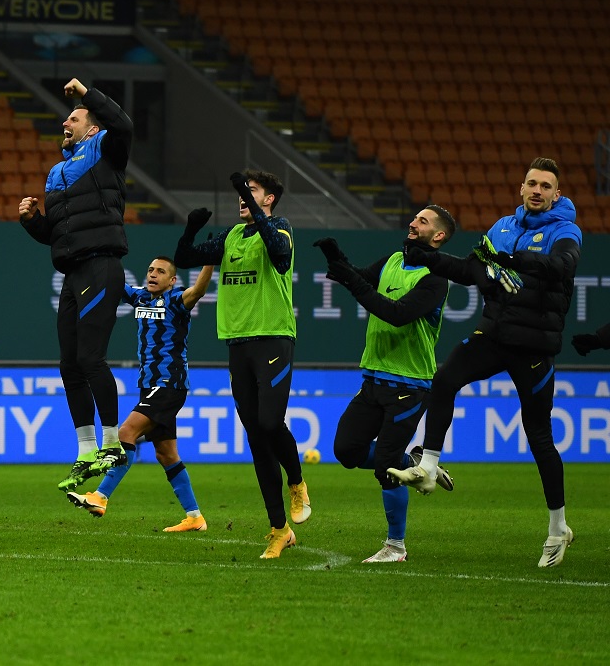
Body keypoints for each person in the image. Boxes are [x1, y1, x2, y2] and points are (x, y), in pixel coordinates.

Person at [390, 158, 581, 568]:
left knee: (539, 438)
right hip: (494, 335)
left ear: (555, 195)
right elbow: (470, 270)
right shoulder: (502, 228)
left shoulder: (565, 230)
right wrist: (428, 258)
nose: (537, 190)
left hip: (533, 348)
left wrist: (514, 260)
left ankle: (558, 527)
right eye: (532, 183)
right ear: (521, 188)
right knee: (444, 379)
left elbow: (562, 267)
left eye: (545, 186)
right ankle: (428, 467)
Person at [174, 170, 308, 559]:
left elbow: (280, 258)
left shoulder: (280, 229)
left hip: (273, 337)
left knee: (269, 422)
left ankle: (297, 482)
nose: (242, 198)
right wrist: (191, 228)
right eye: (241, 192)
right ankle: (279, 530)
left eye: (251, 192)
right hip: (237, 342)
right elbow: (185, 257)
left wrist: (247, 200)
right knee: (255, 437)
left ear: (269, 199)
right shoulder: (232, 236)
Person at [314, 206, 457, 563]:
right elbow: (359, 277)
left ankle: (396, 546)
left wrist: (351, 280)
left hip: (410, 385)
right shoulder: (393, 259)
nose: (413, 223)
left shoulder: (435, 278)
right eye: (415, 218)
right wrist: (337, 259)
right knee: (346, 450)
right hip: (374, 379)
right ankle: (415, 461)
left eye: (423, 221)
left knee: (386, 467)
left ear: (439, 236)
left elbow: (396, 314)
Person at [18, 78, 133, 491]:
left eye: (74, 118)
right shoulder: (56, 173)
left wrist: (88, 94)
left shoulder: (107, 149)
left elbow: (124, 125)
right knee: (70, 364)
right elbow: (58, 235)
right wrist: (33, 222)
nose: (65, 123)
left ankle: (112, 444)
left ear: (93, 127)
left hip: (102, 265)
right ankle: (86, 451)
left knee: (90, 358)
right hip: (72, 272)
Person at [68, 258, 213, 533]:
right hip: (149, 385)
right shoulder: (141, 297)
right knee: (166, 454)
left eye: (161, 272)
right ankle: (195, 517)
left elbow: (198, 291)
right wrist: (89, 261)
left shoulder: (176, 300)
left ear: (172, 280)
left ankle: (100, 496)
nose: (153, 274)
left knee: (126, 432)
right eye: (150, 270)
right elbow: (113, 284)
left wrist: (209, 260)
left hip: (169, 384)